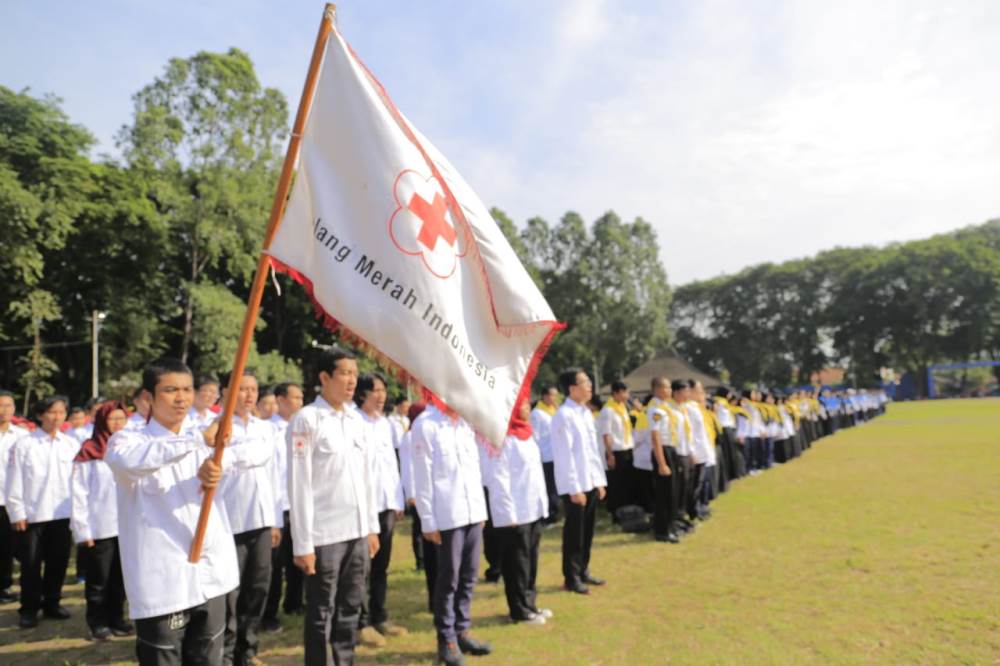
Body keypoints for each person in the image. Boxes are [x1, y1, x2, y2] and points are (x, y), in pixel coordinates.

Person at [106, 358, 245, 665]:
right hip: (163, 581)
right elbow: (130, 462)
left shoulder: (208, 437)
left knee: (210, 659)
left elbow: (254, 451)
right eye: (170, 390)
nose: (181, 398)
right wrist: (197, 442)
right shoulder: (128, 441)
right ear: (147, 398)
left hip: (212, 576)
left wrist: (218, 465)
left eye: (187, 389)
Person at [287, 347, 380, 666]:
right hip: (324, 535)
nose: (351, 381)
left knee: (350, 607)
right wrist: (303, 544)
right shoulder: (307, 420)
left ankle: (345, 661)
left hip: (355, 532)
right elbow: (298, 485)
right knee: (321, 612)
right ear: (324, 377)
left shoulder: (356, 420)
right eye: (344, 373)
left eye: (354, 374)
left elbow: (366, 479)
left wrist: (371, 527)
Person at [411, 401, 492, 666]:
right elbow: (422, 478)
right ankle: (446, 639)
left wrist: (480, 511)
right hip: (447, 516)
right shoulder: (426, 424)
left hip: (472, 513)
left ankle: (462, 630)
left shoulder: (466, 423)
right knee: (448, 580)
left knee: (469, 577)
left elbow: (474, 469)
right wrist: (428, 521)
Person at [219, 371, 284, 666]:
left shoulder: (265, 429)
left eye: (253, 389)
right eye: (242, 389)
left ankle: (248, 649)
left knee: (258, 587)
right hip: (227, 523)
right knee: (229, 592)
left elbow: (274, 477)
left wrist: (274, 521)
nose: (248, 395)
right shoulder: (216, 428)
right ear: (226, 391)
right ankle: (227, 651)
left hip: (260, 520)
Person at [6, 395, 78, 628]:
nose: (57, 417)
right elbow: (14, 481)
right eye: (51, 412)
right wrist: (17, 512)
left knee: (58, 562)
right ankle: (29, 608)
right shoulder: (25, 445)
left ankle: (52, 603)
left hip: (62, 514)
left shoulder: (70, 444)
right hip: (33, 515)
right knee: (31, 565)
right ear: (40, 415)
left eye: (61, 412)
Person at [480, 401, 551, 625]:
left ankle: (530, 602)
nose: (527, 409)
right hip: (514, 512)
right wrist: (507, 513)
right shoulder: (499, 438)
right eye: (522, 405)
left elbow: (535, 474)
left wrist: (543, 505)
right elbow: (497, 478)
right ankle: (518, 609)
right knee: (516, 562)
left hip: (532, 508)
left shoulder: (527, 435)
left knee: (531, 559)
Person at [70, 401, 132, 641]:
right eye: (112, 419)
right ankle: (97, 622)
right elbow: (79, 492)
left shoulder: (132, 447)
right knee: (99, 578)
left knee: (120, 576)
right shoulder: (90, 450)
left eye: (121, 419)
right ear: (102, 422)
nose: (117, 424)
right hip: (101, 525)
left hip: (126, 525)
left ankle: (117, 618)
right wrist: (83, 528)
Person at [355, 373, 407, 646]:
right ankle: (360, 623)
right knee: (362, 566)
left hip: (386, 504)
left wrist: (397, 500)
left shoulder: (385, 424)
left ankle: (380, 616)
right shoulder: (353, 422)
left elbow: (390, 466)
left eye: (384, 390)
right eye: (376, 390)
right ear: (362, 393)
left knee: (381, 566)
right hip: (365, 506)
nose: (382, 395)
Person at [550, 368, 607, 595]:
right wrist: (574, 488)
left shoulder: (584, 412)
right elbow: (565, 456)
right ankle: (571, 577)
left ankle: (583, 570)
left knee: (587, 531)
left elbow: (592, 452)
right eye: (585, 382)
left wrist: (599, 481)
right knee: (574, 533)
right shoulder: (564, 415)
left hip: (590, 481)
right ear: (572, 388)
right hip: (575, 485)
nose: (590, 386)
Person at [261, 381, 305, 632]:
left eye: (301, 398)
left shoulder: (302, 427)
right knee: (275, 564)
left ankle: (295, 602)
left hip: (298, 503)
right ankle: (269, 613)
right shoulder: (268, 430)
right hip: (277, 505)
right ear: (280, 400)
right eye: (295, 398)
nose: (299, 402)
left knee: (298, 556)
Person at [0, 389, 27, 604]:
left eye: (8, 406)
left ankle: (6, 585)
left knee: (10, 546)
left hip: (14, 501)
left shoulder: (22, 436)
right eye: (1, 405)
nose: (4, 410)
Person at [647, 377, 679, 543]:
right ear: (657, 389)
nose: (669, 391)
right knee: (663, 493)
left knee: (671, 492)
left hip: (670, 449)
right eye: (666, 388)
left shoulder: (666, 407)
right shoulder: (655, 410)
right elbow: (655, 437)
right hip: (662, 451)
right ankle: (662, 530)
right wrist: (662, 463)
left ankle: (671, 526)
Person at [597, 380, 636, 519]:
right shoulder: (608, 410)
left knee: (626, 483)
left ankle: (626, 511)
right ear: (615, 393)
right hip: (616, 452)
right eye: (624, 392)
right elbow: (606, 434)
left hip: (627, 450)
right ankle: (615, 512)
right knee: (616, 484)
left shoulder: (622, 407)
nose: (627, 395)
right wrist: (610, 454)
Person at [529, 386, 560, 526]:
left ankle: (555, 513)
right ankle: (548, 517)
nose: (555, 399)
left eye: (556, 395)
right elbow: (535, 437)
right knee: (549, 487)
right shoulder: (537, 414)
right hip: (546, 456)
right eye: (552, 395)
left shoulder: (554, 411)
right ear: (545, 396)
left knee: (556, 486)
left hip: (556, 455)